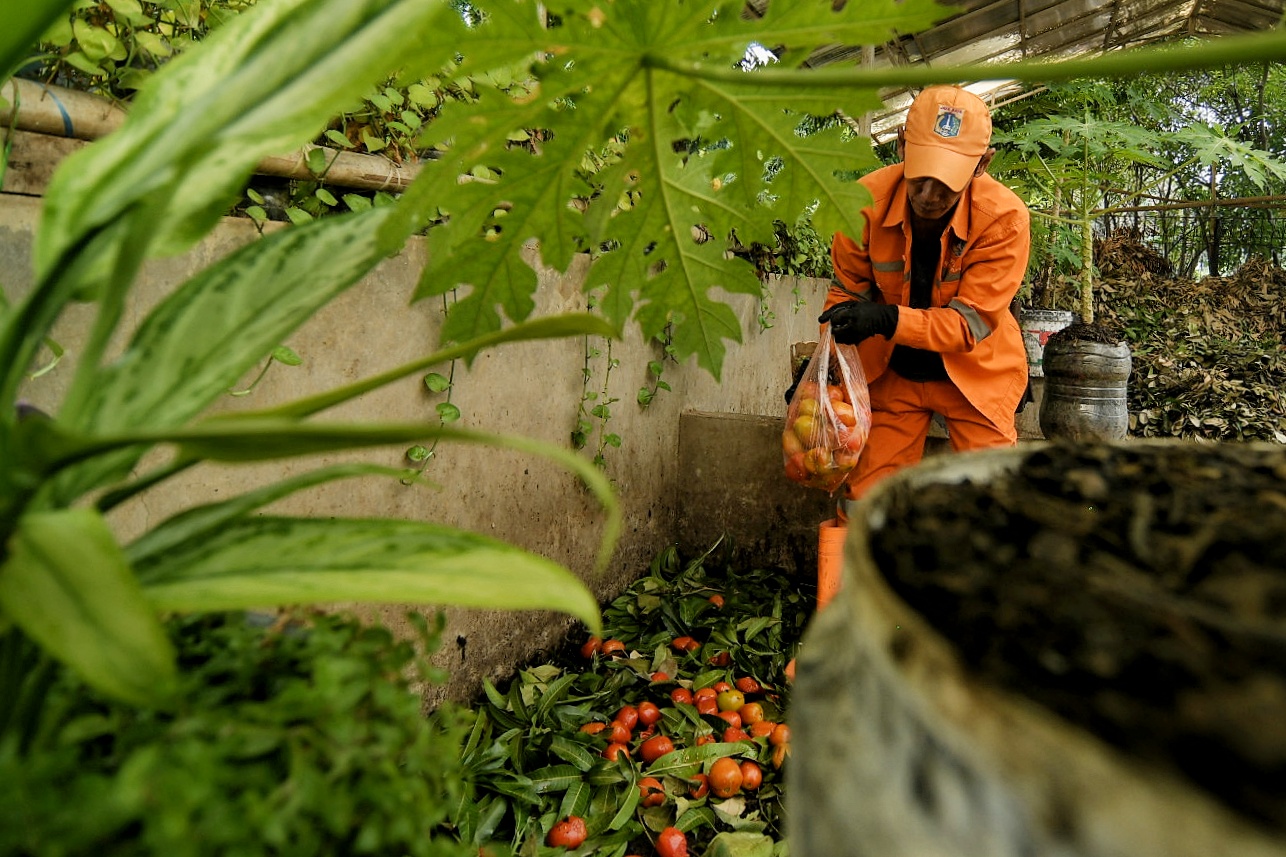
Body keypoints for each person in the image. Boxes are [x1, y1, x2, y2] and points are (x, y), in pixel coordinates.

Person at [818, 84, 1031, 516]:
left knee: (993, 504)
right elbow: (846, 298)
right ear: (901, 144)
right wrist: (827, 370)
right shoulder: (862, 204)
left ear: (982, 164)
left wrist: (886, 318)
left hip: (976, 376)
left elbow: (968, 325)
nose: (929, 195)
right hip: (893, 374)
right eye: (921, 176)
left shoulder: (1005, 219)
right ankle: (866, 582)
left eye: (946, 184)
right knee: (866, 505)